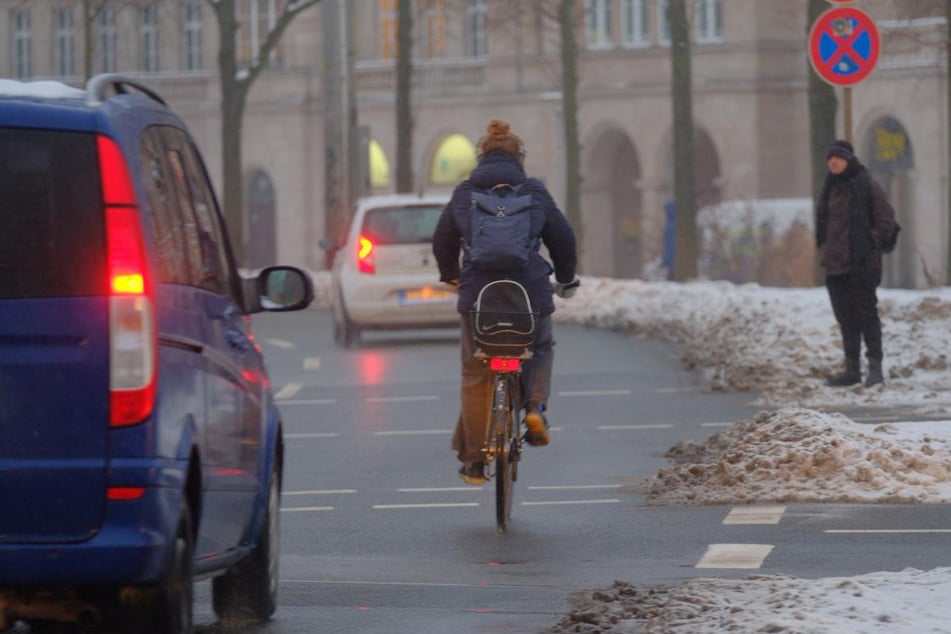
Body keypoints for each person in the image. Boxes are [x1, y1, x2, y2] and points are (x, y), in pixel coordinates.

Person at [433, 119, 579, 485]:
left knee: (475, 371)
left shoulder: (465, 193)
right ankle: (535, 408)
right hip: (528, 291)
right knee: (540, 347)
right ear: (520, 158)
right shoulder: (534, 191)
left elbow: (443, 241)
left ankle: (477, 458)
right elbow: (562, 238)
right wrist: (565, 278)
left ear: (481, 156)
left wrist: (451, 275)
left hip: (479, 295)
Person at [816, 139, 900, 388]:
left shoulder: (866, 185)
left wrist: (868, 243)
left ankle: (875, 368)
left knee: (866, 315)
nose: (833, 162)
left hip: (862, 265)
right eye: (830, 158)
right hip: (836, 266)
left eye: (838, 158)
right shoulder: (829, 187)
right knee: (846, 319)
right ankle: (851, 369)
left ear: (848, 160)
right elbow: (824, 224)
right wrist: (825, 249)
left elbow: (886, 220)